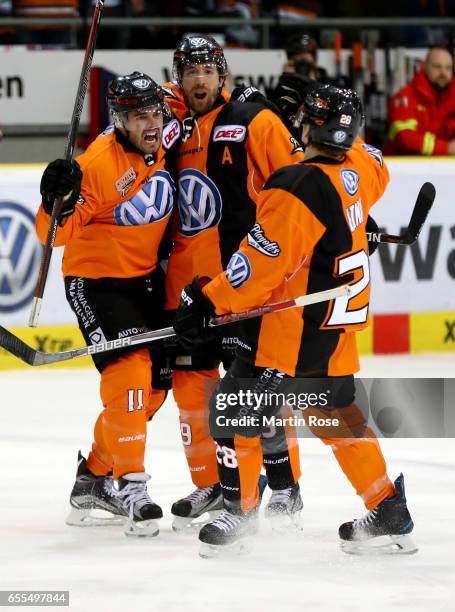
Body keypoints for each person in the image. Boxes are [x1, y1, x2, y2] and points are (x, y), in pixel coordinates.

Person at [173, 82, 417, 557]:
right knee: (337, 420)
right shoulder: (361, 169)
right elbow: (376, 160)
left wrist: (208, 300)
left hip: (293, 334)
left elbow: (258, 268)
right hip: (334, 331)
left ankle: (239, 514)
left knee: (232, 409)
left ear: (307, 123)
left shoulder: (296, 185)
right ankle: (388, 507)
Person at [161, 34, 306, 531]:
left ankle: (285, 486)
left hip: (242, 280)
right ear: (178, 77)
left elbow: (302, 184)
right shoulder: (169, 125)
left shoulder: (253, 118)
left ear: (223, 73)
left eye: (207, 70)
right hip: (189, 284)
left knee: (251, 393)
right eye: (189, 71)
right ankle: (215, 485)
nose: (198, 79)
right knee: (193, 390)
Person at [36, 73, 176, 537]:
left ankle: (93, 478)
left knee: (153, 391)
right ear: (119, 120)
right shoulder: (98, 165)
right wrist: (54, 198)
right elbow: (51, 235)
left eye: (156, 111)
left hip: (144, 281)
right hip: (96, 283)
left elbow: (198, 95)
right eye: (140, 116)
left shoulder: (165, 131)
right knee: (131, 372)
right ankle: (131, 484)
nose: (151, 122)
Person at [386, 47, 455, 155]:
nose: (443, 73)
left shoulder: (451, 97)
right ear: (425, 66)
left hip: (442, 167)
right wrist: (446, 148)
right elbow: (405, 137)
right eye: (437, 67)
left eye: (448, 68)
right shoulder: (406, 96)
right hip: (406, 167)